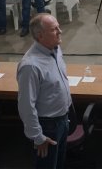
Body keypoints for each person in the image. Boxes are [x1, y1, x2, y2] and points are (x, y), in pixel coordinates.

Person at [17, 13, 73, 169]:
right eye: (54, 29)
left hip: (62, 119)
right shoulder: (30, 66)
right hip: (47, 126)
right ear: (40, 36)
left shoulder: (55, 49)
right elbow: (26, 105)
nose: (60, 31)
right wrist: (38, 137)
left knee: (59, 163)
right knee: (47, 166)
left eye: (58, 27)